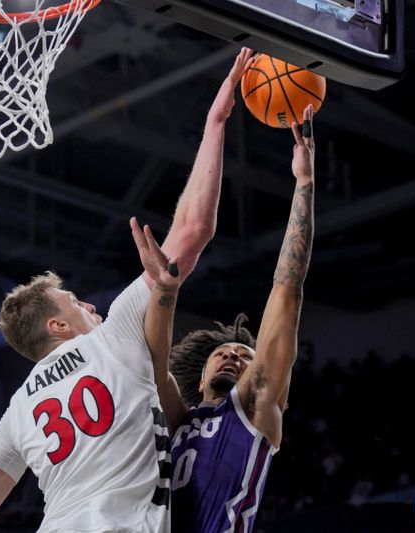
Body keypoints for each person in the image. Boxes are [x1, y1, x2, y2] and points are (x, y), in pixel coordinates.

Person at [0, 48, 255, 533]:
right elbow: (193, 228)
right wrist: (216, 121)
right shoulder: (113, 336)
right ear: (58, 325)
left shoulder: (18, 412)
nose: (93, 306)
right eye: (78, 303)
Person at [150, 104, 317, 532]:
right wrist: (163, 292)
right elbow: (152, 359)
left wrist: (304, 184)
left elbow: (286, 289)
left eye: (244, 355)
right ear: (200, 380)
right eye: (222, 353)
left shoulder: (255, 403)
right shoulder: (175, 419)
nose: (230, 357)